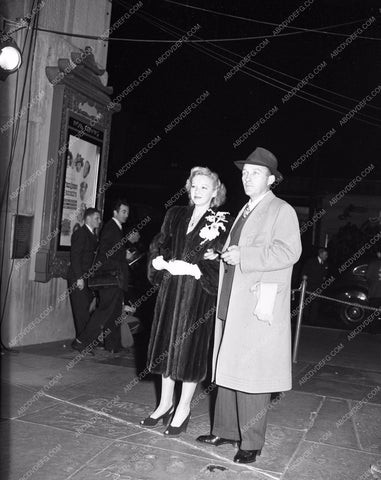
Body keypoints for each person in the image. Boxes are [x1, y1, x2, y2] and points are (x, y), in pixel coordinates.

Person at [197, 147, 302, 464]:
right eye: (244, 172)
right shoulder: (245, 210)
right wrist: (221, 256)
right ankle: (225, 430)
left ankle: (252, 442)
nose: (247, 177)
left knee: (252, 376)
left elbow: (289, 252)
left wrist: (246, 257)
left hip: (257, 303)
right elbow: (239, 250)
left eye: (255, 173)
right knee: (227, 368)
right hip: (232, 298)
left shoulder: (281, 210)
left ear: (271, 179)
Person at [141, 166, 230, 436]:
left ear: (215, 191)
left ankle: (184, 407)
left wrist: (197, 269)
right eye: (194, 186)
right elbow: (160, 242)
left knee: (190, 350)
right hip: (170, 290)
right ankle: (165, 403)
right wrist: (158, 259)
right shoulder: (175, 214)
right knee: (166, 345)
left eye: (205, 187)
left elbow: (220, 259)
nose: (198, 191)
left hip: (197, 294)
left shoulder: (222, 220)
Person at [72, 200, 132, 354]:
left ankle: (112, 345)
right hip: (110, 277)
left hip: (113, 278)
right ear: (115, 212)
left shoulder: (114, 229)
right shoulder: (111, 228)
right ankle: (82, 341)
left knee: (113, 313)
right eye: (123, 211)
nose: (126, 215)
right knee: (104, 311)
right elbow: (105, 252)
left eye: (127, 212)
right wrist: (124, 252)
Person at [67, 208, 101, 337]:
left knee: (87, 310)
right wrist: (79, 278)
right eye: (96, 218)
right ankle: (82, 343)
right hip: (78, 277)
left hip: (87, 277)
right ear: (88, 219)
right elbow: (75, 256)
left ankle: (86, 341)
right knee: (81, 312)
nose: (99, 221)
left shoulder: (92, 234)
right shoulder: (81, 233)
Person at [301, 247, 329, 324]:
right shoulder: (311, 261)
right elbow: (304, 271)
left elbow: (324, 275)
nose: (326, 256)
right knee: (307, 303)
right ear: (320, 254)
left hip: (318, 287)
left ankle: (312, 320)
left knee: (316, 304)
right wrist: (304, 281)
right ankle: (304, 318)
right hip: (309, 286)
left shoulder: (325, 264)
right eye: (325, 254)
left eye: (327, 255)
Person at [365, 249, 381, 331]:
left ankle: (373, 331)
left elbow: (367, 276)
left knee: (373, 313)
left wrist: (372, 282)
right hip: (376, 292)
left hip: (375, 293)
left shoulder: (373, 263)